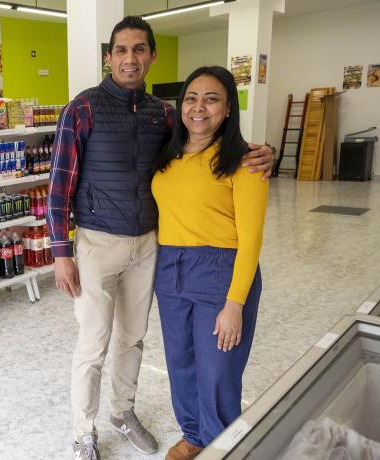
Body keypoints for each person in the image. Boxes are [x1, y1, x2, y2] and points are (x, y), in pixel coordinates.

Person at [46, 16, 273, 460]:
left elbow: (210, 149)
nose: (130, 59)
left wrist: (264, 152)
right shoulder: (83, 109)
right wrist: (60, 251)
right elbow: (59, 184)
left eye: (139, 50)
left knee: (134, 338)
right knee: (94, 343)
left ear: (152, 56)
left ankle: (123, 412)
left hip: (151, 247)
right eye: (121, 50)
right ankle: (84, 431)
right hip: (99, 244)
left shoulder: (163, 115)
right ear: (109, 57)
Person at [151, 66, 269, 460]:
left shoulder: (245, 161)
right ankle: (194, 437)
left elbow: (251, 239)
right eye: (191, 98)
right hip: (169, 269)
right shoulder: (167, 155)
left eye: (212, 98)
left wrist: (234, 303)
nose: (199, 107)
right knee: (181, 362)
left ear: (229, 108)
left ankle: (221, 447)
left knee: (218, 371)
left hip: (221, 271)